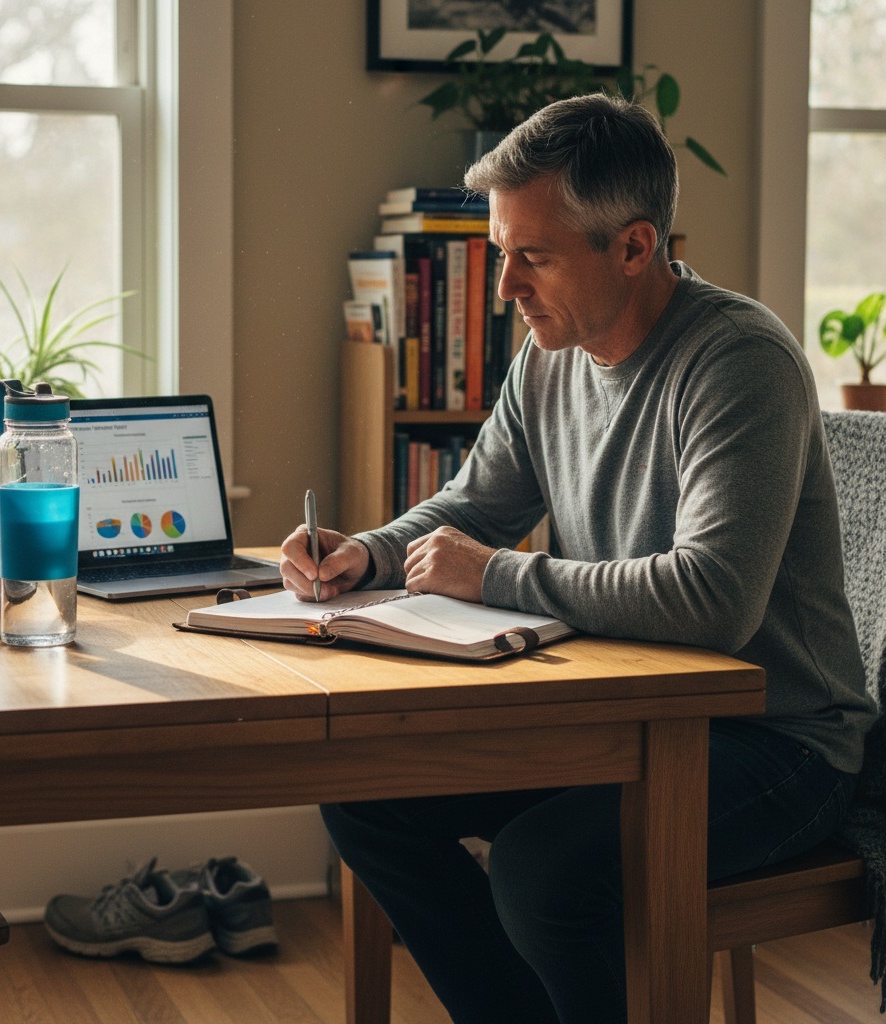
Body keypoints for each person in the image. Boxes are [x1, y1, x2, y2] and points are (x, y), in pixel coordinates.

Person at [280, 94, 877, 1023]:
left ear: (635, 247)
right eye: (501, 252)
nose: (505, 285)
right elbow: (476, 504)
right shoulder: (549, 354)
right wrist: (369, 552)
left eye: (534, 257)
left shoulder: (739, 361)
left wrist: (497, 573)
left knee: (542, 872)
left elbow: (714, 599)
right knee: (367, 797)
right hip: (626, 714)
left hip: (778, 742)